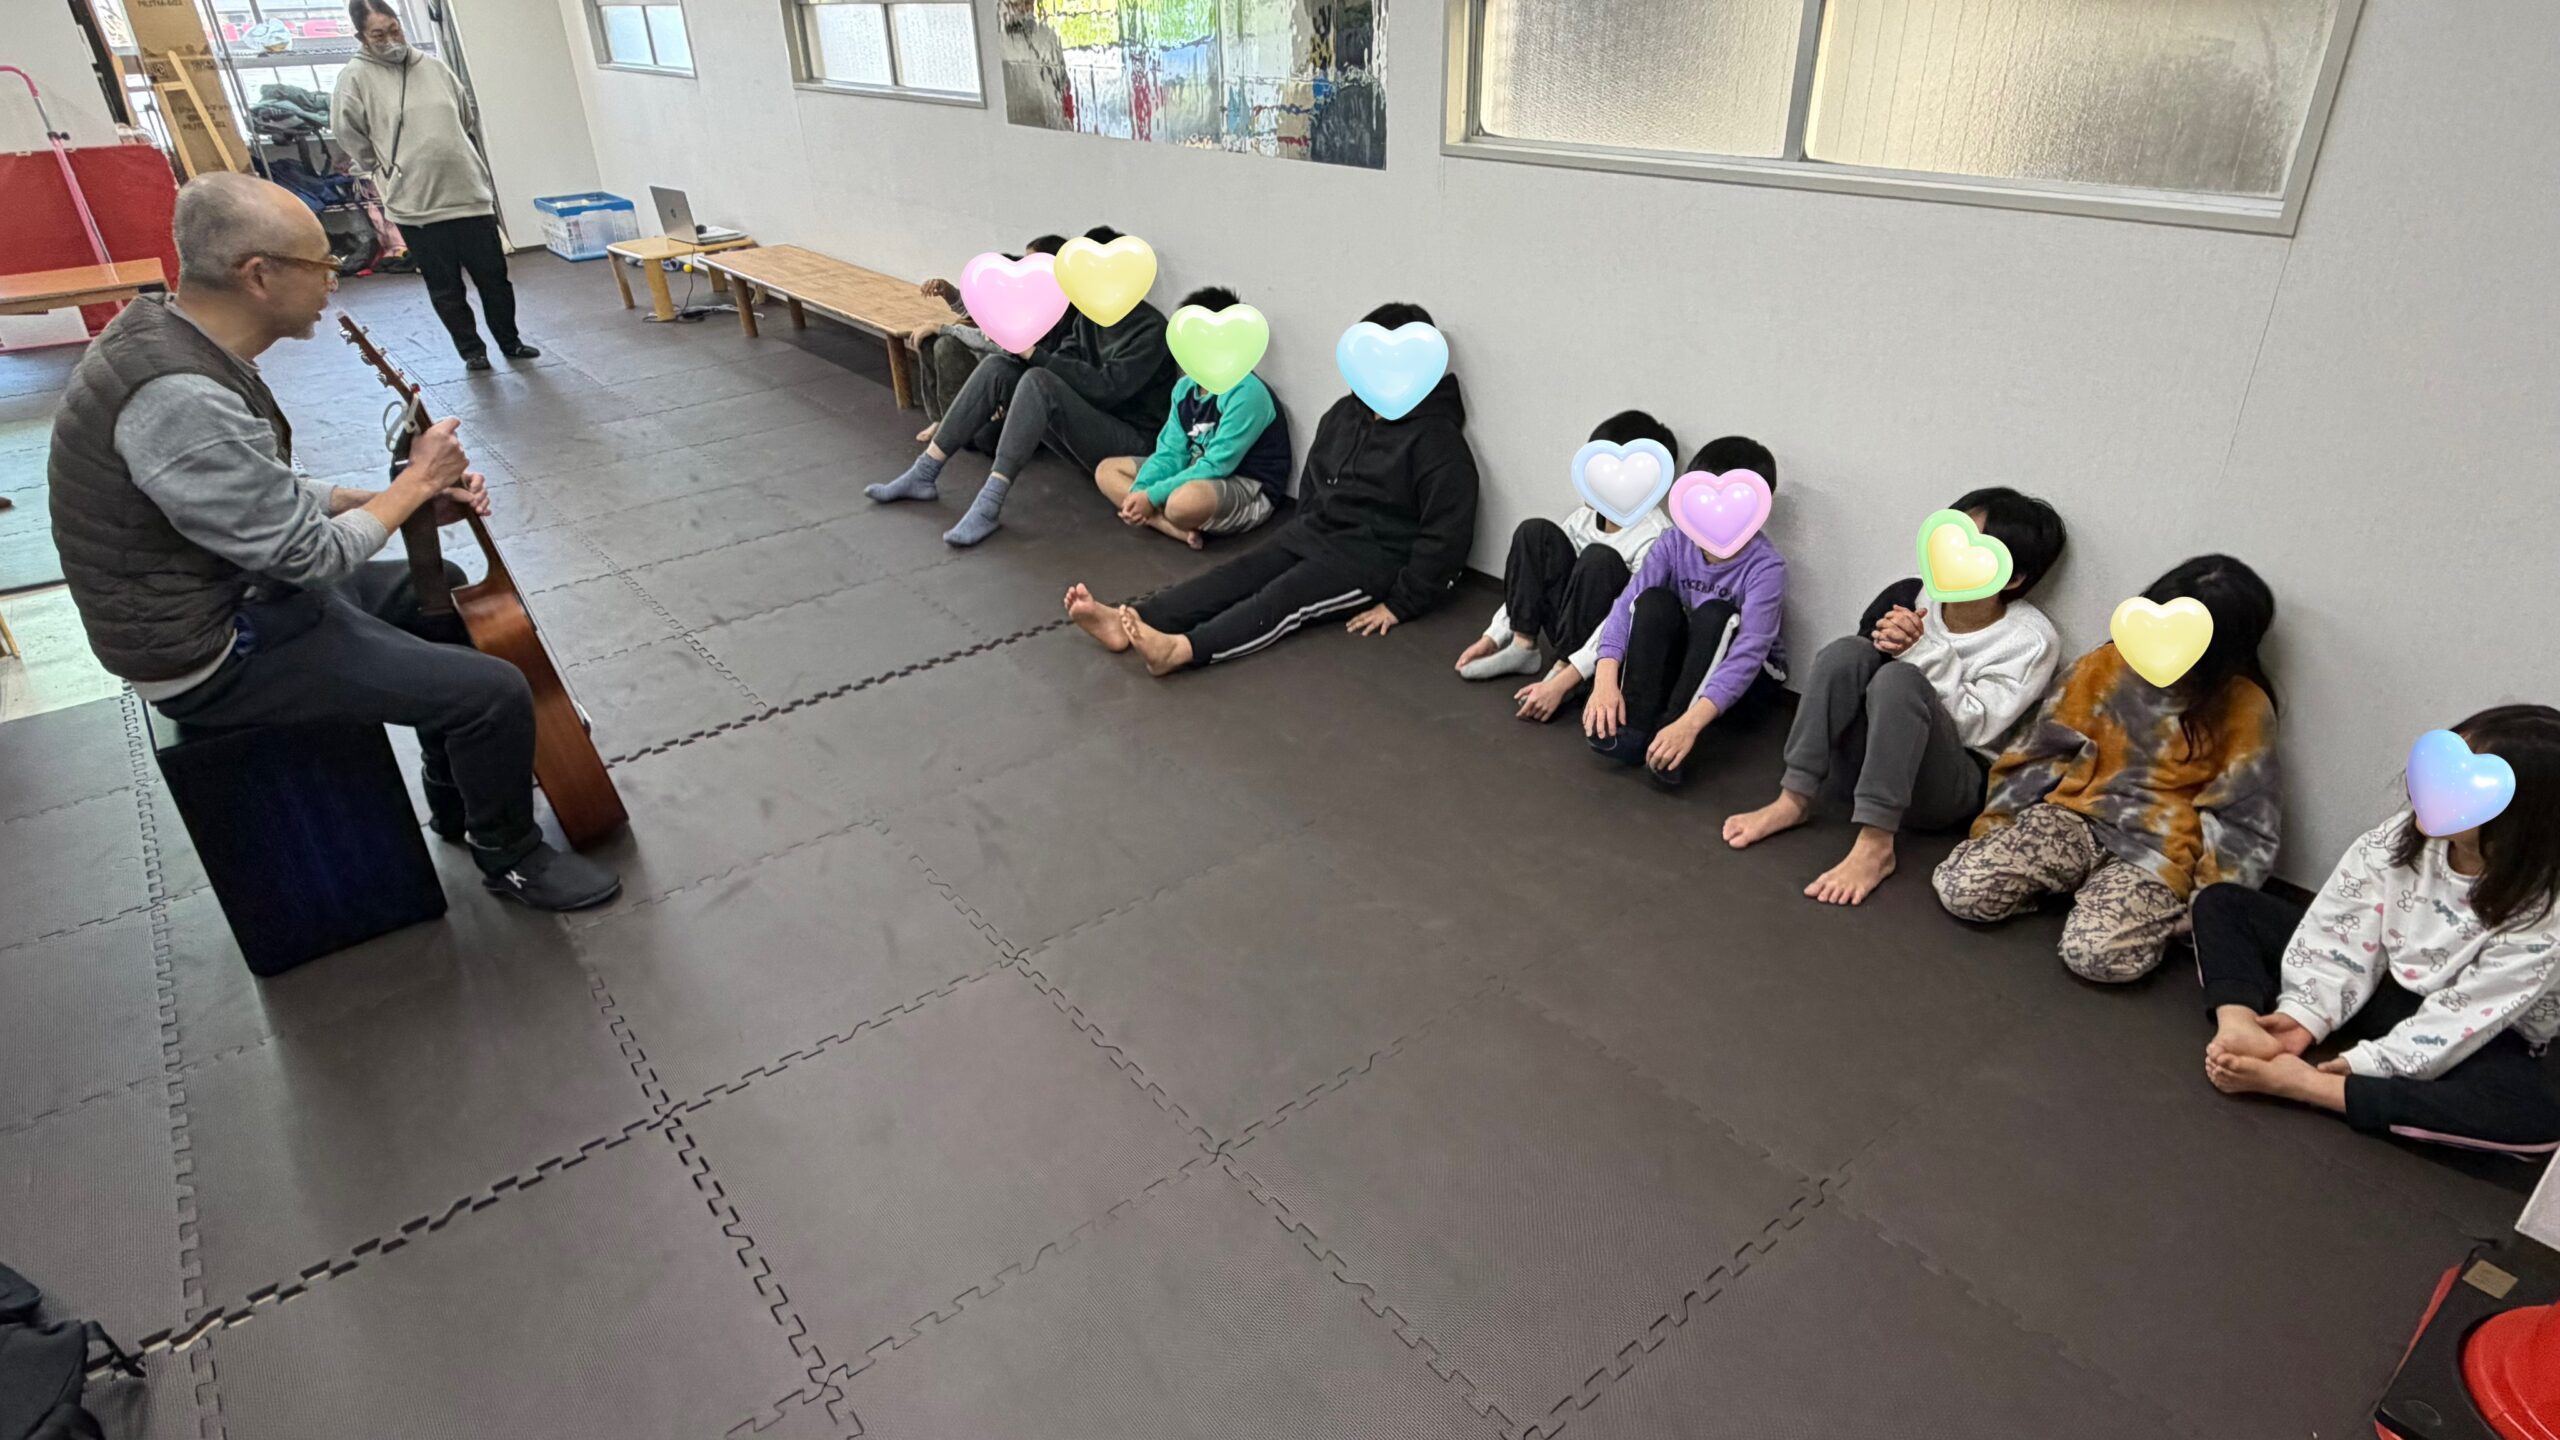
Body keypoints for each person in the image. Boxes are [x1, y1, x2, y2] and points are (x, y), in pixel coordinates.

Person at [45, 174, 618, 911]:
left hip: (228, 591)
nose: (334, 281)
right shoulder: (180, 395)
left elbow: (260, 494)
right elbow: (309, 556)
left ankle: (456, 797)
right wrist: (415, 483)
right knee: (493, 691)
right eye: (322, 264)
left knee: (434, 586)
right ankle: (510, 855)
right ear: (259, 275)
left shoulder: (170, 337)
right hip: (206, 650)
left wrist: (387, 500)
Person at [2198, 704, 2560, 1154]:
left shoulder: (2546, 913)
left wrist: (2360, 1065)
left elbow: (2469, 1012)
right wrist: (2303, 1016)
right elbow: (2345, 926)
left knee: (2535, 1116)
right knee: (2223, 903)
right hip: (2384, 981)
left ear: (2524, 822)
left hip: (2484, 1028)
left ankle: (2309, 1087)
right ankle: (2239, 1023)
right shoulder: (2403, 836)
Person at [1062, 301, 1478, 675]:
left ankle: (1182, 650)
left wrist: (1401, 603)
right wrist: (1303, 531)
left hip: (1370, 561)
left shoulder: (1437, 441)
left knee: (1282, 599)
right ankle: (1128, 619)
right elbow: (1314, 484)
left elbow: (1446, 536)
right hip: (1316, 532)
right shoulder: (1344, 415)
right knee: (1237, 574)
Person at [1933, 553, 2280, 982]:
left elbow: (2245, 822)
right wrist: (1998, 823)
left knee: (2095, 957)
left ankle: (2111, 904)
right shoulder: (2105, 665)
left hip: (2159, 851)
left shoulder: (2245, 708)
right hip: (2074, 816)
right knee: (1962, 891)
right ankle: (2068, 885)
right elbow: (2040, 751)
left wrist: (2206, 907)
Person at [1724, 487, 2068, 905]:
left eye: (1973, 552)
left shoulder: (2030, 640)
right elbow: (1856, 681)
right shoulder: (1910, 595)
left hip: (1947, 787)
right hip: (1869, 766)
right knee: (1846, 652)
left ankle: (1876, 843)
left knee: (1901, 679)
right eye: (1949, 542)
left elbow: (1975, 730)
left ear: (2013, 577)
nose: (1950, 559)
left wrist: (1922, 651)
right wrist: (1893, 643)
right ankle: (1793, 797)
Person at [867, 225, 1184, 548]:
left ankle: (989, 504)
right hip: (1090, 426)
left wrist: (1034, 354)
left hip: (1132, 443)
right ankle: (924, 471)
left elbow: (1106, 389)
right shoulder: (1090, 317)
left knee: (1039, 380)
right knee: (998, 367)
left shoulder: (1151, 328)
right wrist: (1020, 353)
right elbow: (1065, 358)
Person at [332, 1, 536, 373]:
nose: (391, 40)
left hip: (468, 194)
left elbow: (464, 115)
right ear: (361, 37)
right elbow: (349, 133)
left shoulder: (434, 67)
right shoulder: (355, 78)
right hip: (415, 203)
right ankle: (472, 351)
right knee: (446, 286)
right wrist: (385, 168)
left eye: (395, 30)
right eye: (379, 35)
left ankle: (511, 341)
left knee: (494, 278)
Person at [1581, 436, 1786, 788]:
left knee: (1715, 614)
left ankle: (1672, 735)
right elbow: (1627, 604)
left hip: (1750, 684)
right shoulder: (1674, 542)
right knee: (1654, 600)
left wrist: (1687, 725)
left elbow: (1750, 652)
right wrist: (1604, 679)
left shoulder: (1766, 566)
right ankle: (1635, 726)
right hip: (1690, 662)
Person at [1456, 409, 1677, 723]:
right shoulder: (1583, 518)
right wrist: (1492, 636)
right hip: (1568, 623)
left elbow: (1624, 618)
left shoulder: (1656, 536)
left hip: (1606, 650)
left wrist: (1563, 680)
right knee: (1535, 533)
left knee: (1599, 559)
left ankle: (1567, 673)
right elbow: (1533, 579)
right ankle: (1523, 646)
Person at [1090, 286, 1292, 549]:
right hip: (1194, 469)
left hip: (1246, 484)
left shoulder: (1247, 392)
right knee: (1107, 471)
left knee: (1182, 503)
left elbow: (1218, 466)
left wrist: (1151, 497)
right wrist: (1141, 490)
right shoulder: (1185, 388)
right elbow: (1170, 453)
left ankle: (1164, 515)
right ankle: (1168, 526)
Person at [909, 233, 1068, 442]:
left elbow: (999, 344)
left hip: (1011, 371)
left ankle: (955, 423)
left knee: (945, 344)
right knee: (931, 340)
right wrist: (947, 291)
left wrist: (944, 329)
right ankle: (941, 419)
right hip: (988, 361)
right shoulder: (1020, 286)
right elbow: (977, 310)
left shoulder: (1050, 306)